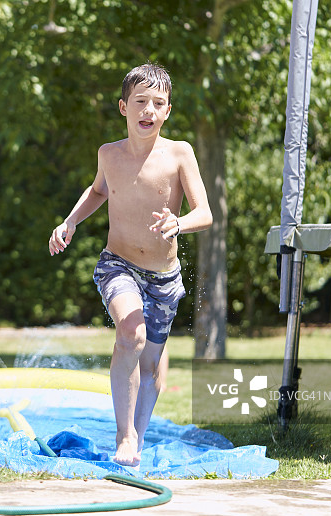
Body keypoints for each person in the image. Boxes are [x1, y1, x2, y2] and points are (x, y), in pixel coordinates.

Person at [48, 62, 212, 466]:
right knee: (131, 335)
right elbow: (98, 190)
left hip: (165, 278)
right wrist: (70, 221)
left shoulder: (179, 154)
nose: (149, 110)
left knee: (153, 364)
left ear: (168, 110)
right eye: (141, 101)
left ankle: (137, 439)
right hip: (117, 264)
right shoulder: (110, 154)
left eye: (159, 103)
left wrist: (179, 222)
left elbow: (205, 212)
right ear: (124, 107)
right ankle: (124, 437)